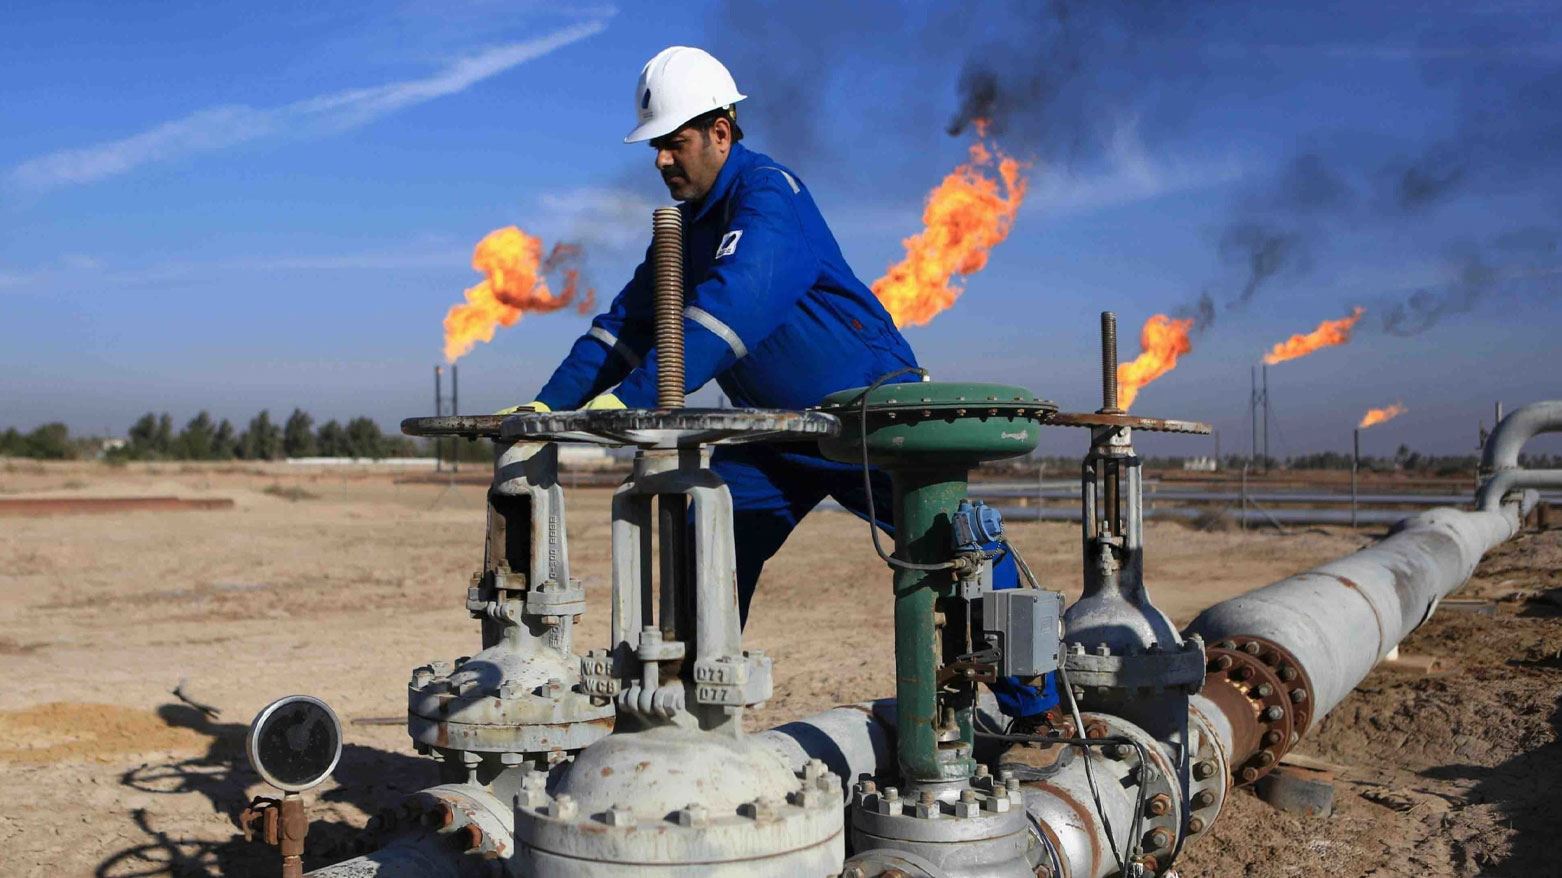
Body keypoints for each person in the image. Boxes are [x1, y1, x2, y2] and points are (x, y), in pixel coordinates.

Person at [503, 45, 1055, 724]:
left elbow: (737, 306)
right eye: (655, 147)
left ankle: (1039, 708)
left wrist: (629, 401)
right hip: (777, 436)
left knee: (953, 547)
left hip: (869, 420)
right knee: (707, 541)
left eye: (673, 144)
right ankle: (686, 710)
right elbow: (623, 329)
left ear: (721, 133)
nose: (660, 162)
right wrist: (547, 405)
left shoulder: (770, 194)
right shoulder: (679, 233)